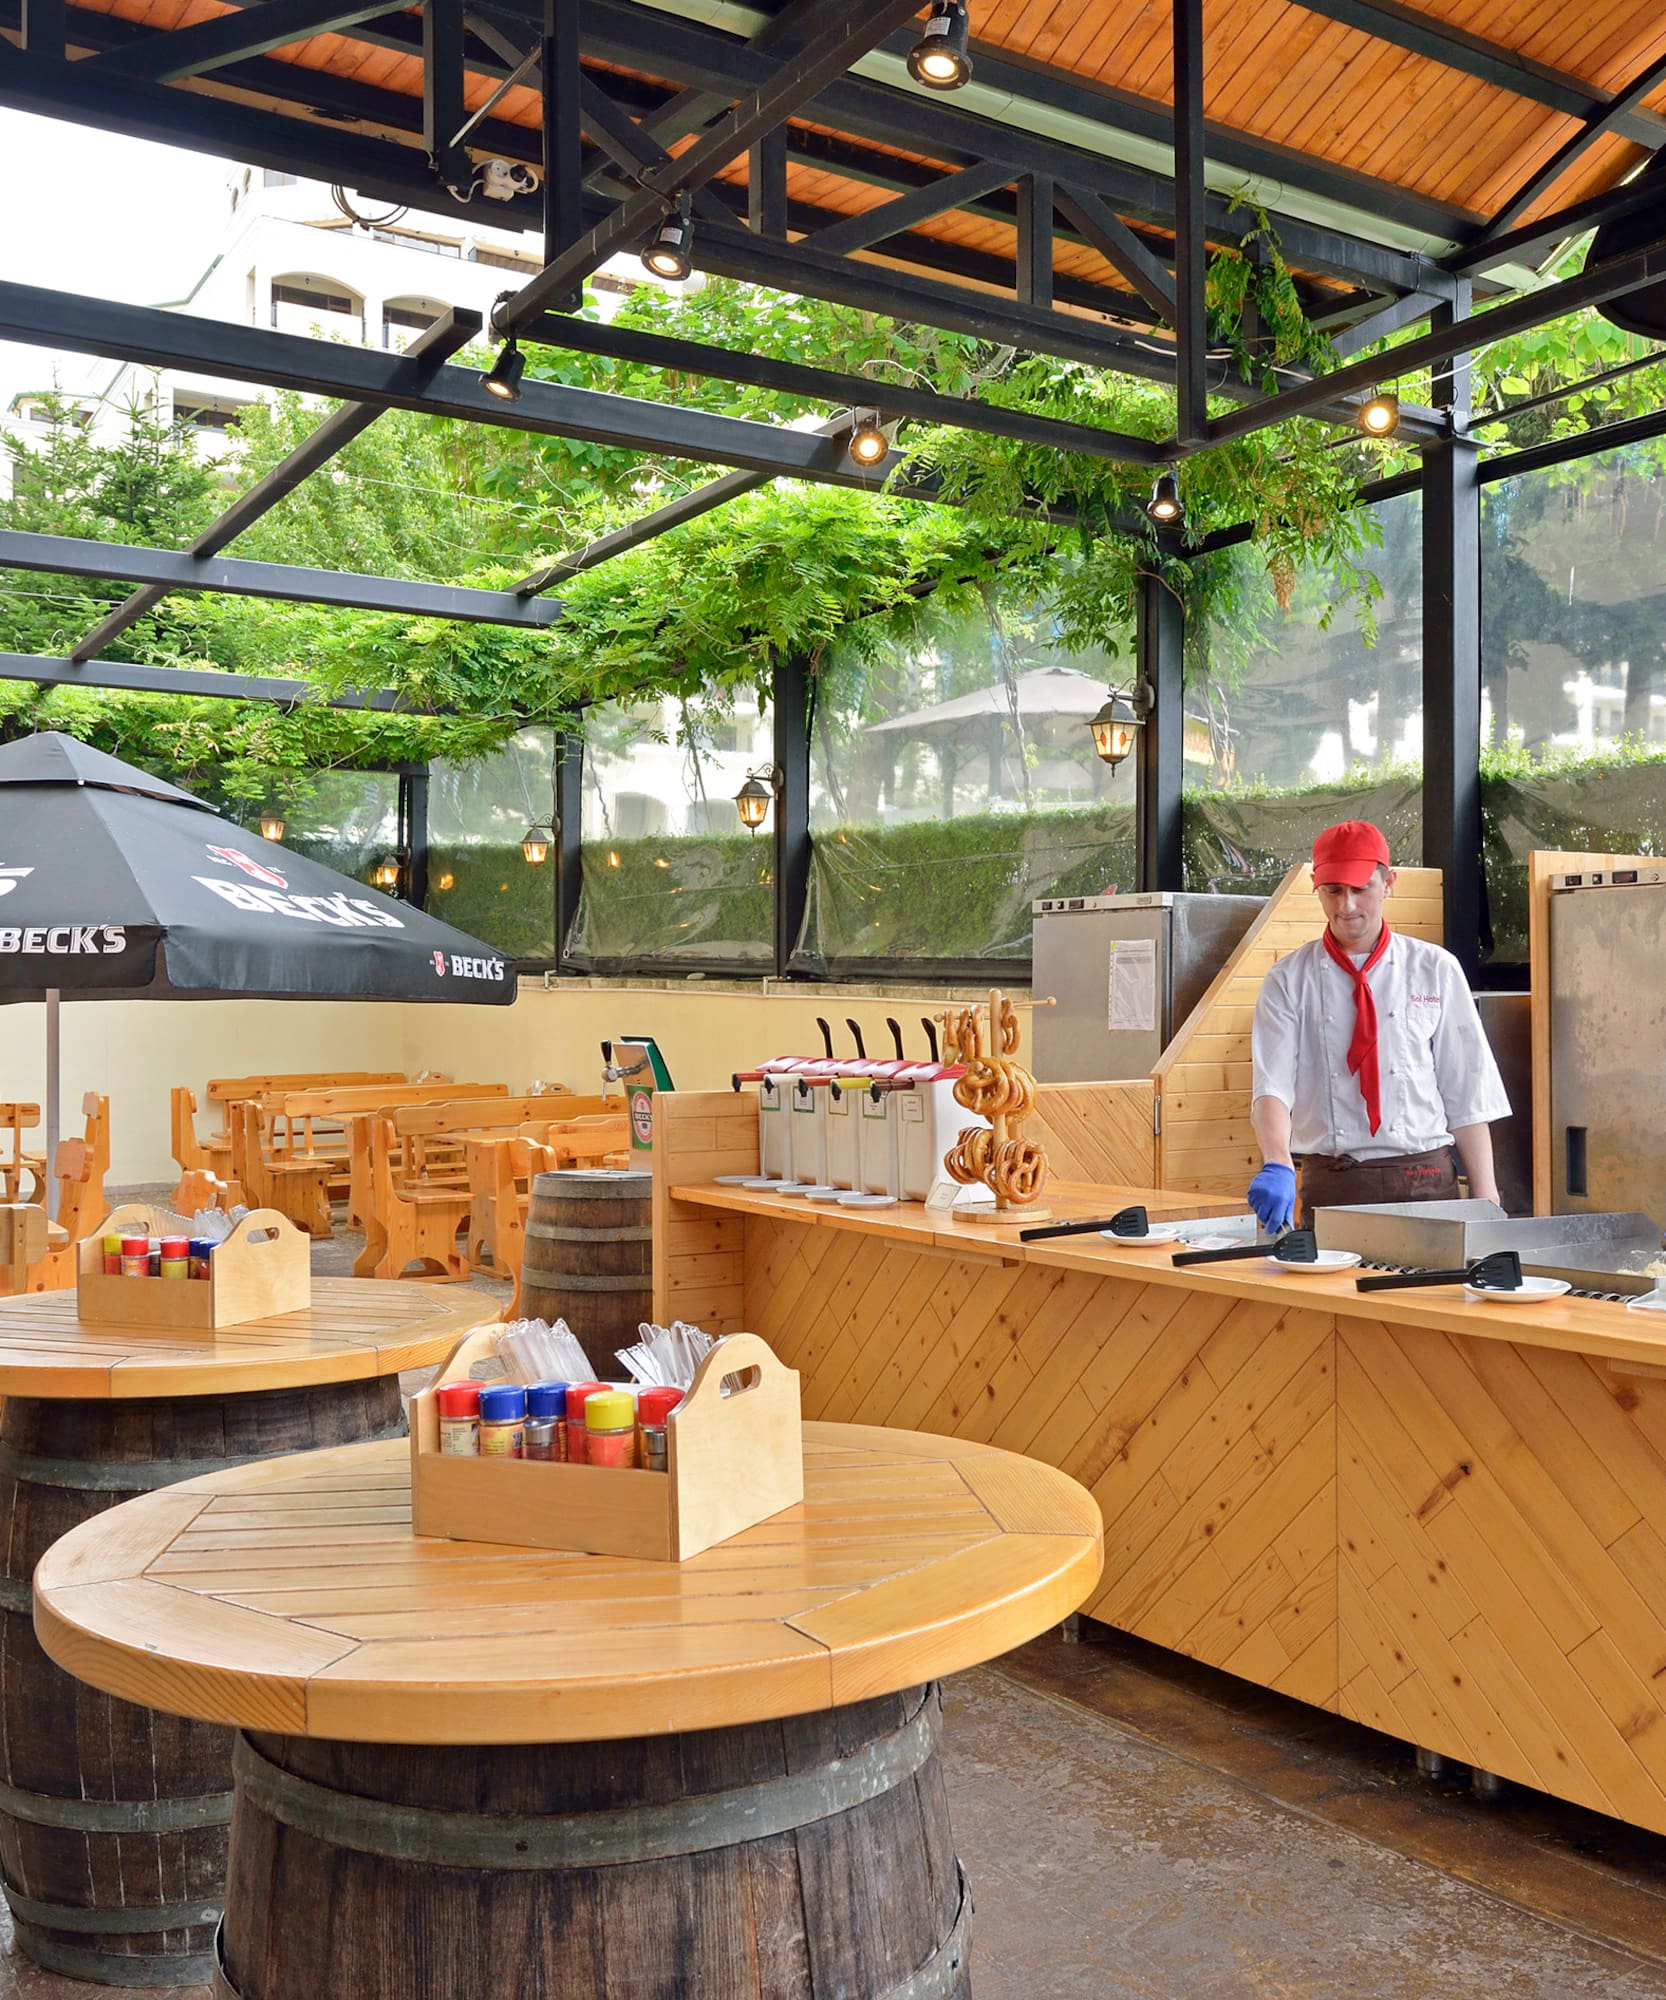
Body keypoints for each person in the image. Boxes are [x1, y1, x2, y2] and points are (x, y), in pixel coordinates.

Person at [1246, 819, 1510, 1232]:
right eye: (1333, 890)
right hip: (1334, 1187)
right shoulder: (1287, 980)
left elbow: (1467, 1092)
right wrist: (1277, 1161)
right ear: (1317, 888)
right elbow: (1272, 1088)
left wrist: (1487, 1199)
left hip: (1426, 1183)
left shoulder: (1435, 969)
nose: (1346, 906)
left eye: (1360, 888)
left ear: (1389, 884)